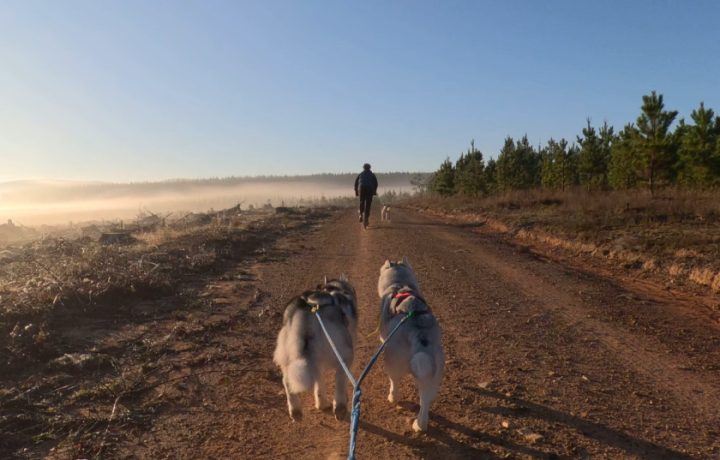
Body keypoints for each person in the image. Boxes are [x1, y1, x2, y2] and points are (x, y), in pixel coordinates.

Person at [354, 163, 378, 228]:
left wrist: (356, 192)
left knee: (361, 201)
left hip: (362, 188)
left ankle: (361, 215)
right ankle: (366, 218)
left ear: (363, 168)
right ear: (370, 168)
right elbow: (376, 183)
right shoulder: (372, 175)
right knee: (368, 204)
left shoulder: (360, 174)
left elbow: (356, 184)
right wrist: (374, 191)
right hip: (370, 189)